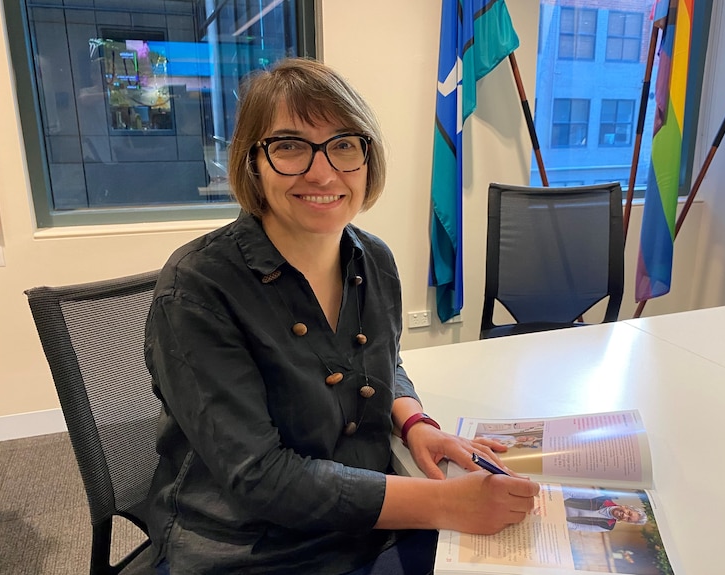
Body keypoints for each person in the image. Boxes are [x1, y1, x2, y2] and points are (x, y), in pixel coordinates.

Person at [143, 57, 539, 575]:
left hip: (367, 520)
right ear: (251, 163)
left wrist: (416, 421)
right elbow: (259, 477)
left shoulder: (372, 259)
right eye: (289, 146)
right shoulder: (197, 287)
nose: (324, 171)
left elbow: (384, 362)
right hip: (251, 546)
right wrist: (446, 504)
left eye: (344, 145)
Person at [564, 493, 648, 532]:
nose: (624, 515)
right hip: (559, 501)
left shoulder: (608, 526)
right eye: (629, 513)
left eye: (628, 519)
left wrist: (562, 521)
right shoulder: (602, 497)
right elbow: (571, 494)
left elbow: (577, 527)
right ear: (626, 507)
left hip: (562, 519)